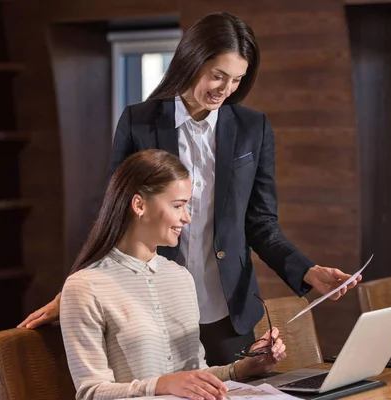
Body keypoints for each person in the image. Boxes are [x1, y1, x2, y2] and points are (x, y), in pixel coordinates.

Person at [20, 11, 361, 365]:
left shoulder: (252, 127)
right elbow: (117, 215)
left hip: (229, 308)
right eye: (218, 76)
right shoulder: (139, 122)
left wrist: (308, 271)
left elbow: (261, 223)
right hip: (153, 304)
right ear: (192, 60)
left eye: (236, 80)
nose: (226, 90)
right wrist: (76, 291)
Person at [61, 149, 287, 400]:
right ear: (139, 205)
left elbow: (193, 375)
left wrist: (245, 367)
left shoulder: (181, 277)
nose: (187, 217)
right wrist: (161, 385)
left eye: (187, 206)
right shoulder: (85, 287)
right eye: (178, 205)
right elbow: (90, 392)